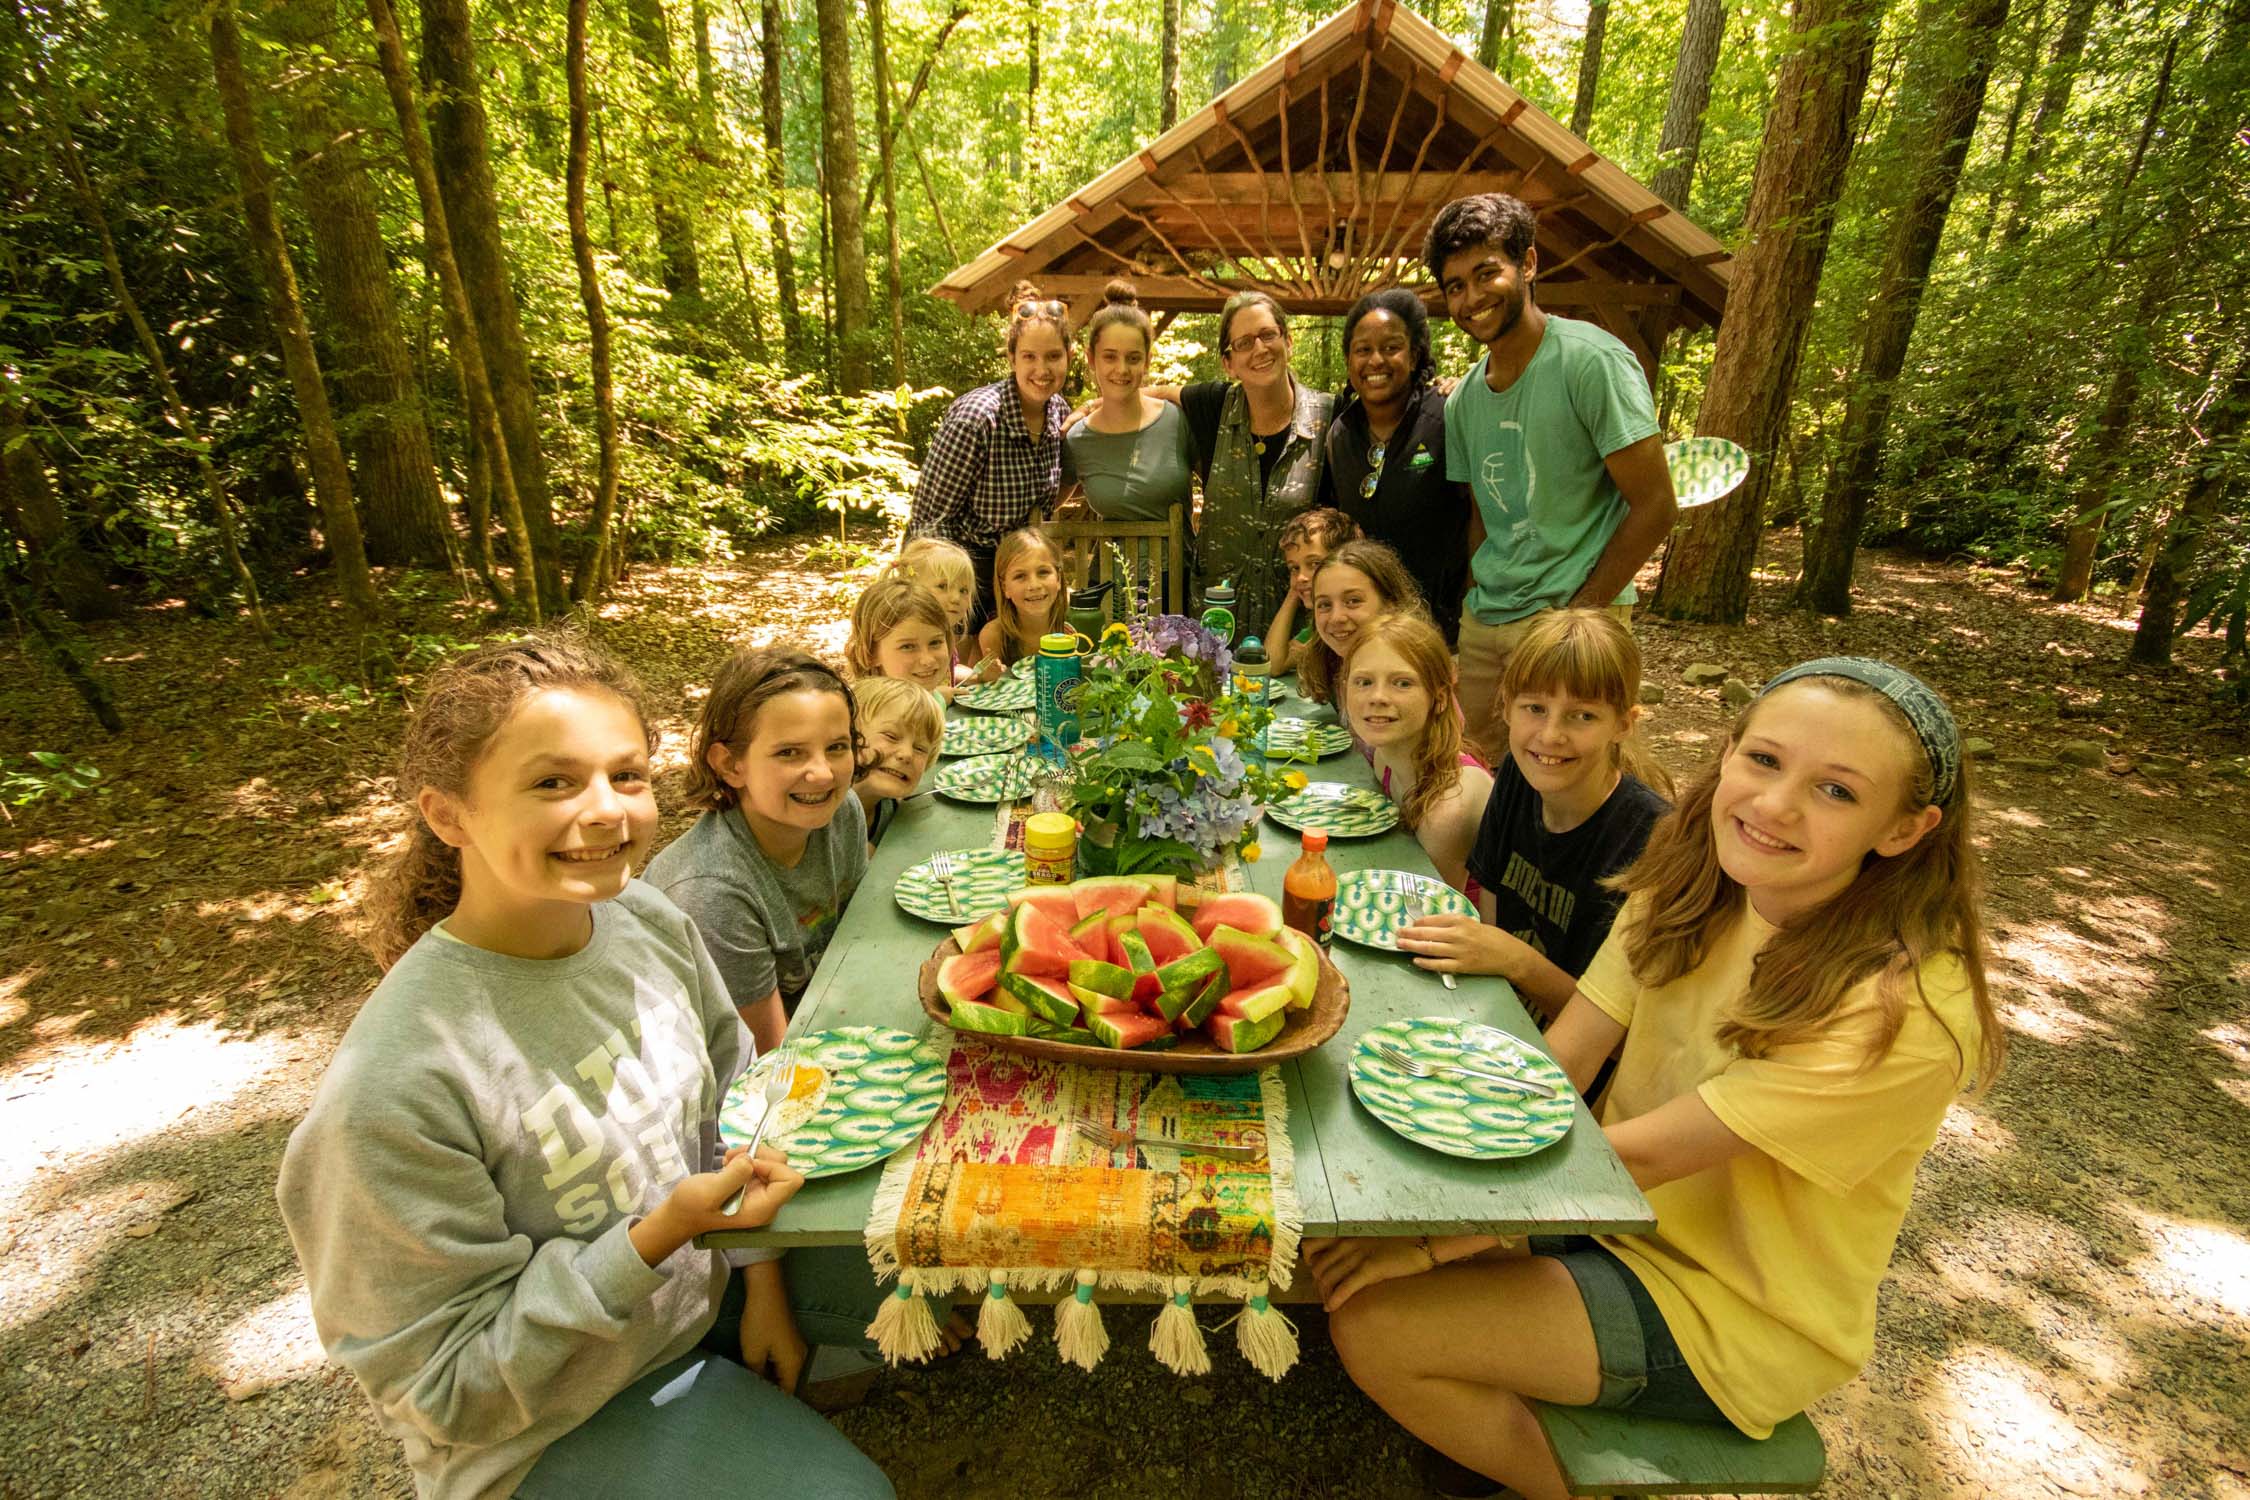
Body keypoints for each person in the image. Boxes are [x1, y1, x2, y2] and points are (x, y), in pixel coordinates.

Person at [1307, 658, 2001, 1500]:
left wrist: (1435, 1238)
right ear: (1729, 752)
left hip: (1726, 1305)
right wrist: (1426, 1167)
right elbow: (1562, 1064)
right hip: (1611, 1220)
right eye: (1765, 761)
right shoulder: (1688, 883)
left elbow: (1633, 1163)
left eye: (1838, 792)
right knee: (1337, 1237)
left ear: (1904, 828)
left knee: (1376, 1328)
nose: (1774, 806)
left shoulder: (1907, 1012)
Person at [276, 629, 896, 1500]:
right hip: (546, 1420)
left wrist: (759, 1282)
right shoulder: (396, 1090)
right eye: (552, 783)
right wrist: (656, 1237)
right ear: (448, 814)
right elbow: (449, 1395)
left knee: (930, 1269)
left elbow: (734, 1100)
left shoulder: (645, 920)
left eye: (626, 774)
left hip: (694, 1295)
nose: (606, 810)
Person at [1425, 193, 1679, 763]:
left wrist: (1580, 615)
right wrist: (1472, 599)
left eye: (1486, 272)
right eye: (1455, 285)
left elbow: (1656, 504)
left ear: (1529, 264)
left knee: (1575, 778)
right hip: (1489, 619)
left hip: (1574, 615)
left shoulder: (1590, 362)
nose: (1472, 297)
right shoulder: (1465, 399)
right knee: (1474, 773)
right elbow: (1481, 516)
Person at [1394, 608, 1672, 1022]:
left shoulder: (1649, 839)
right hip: (1496, 1014)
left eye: (1583, 716)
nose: (1550, 736)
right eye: (1535, 708)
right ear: (1505, 707)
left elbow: (1623, 1035)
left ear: (1623, 724)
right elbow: (1491, 909)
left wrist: (1516, 961)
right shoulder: (1516, 778)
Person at [644, 648, 867, 1053]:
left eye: (837, 747)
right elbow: (767, 1059)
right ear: (730, 765)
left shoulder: (839, 811)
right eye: (789, 752)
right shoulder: (712, 892)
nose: (822, 772)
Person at [905, 281, 1072, 630]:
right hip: (961, 575)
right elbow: (928, 522)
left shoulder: (1059, 412)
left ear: (1068, 357)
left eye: (1053, 356)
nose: (1042, 369)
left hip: (1020, 580)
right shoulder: (978, 417)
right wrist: (940, 601)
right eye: (1029, 356)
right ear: (1012, 357)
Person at [1326, 287, 1474, 646]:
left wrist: (1471, 613)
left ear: (1415, 355)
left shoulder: (1446, 419)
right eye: (1363, 350)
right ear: (1349, 360)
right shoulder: (1341, 435)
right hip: (1366, 636)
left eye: (1391, 348)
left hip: (1443, 634)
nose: (1375, 360)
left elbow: (1480, 521)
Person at [1339, 612, 1493, 896]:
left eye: (1402, 683)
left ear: (1440, 697)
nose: (1378, 697)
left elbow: (1426, 910)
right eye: (1363, 682)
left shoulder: (1449, 807)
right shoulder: (1384, 756)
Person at [1059, 280, 1195, 525]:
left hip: (1180, 563)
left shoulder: (1177, 422)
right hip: (1109, 563)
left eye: (1133, 358)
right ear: (1091, 359)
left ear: (1147, 360)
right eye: (1110, 357)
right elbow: (1045, 502)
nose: (1121, 369)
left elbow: (1221, 490)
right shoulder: (1077, 439)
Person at [1298, 538, 1431, 708]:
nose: (1336, 617)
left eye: (1353, 601)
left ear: (1390, 605)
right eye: (1324, 605)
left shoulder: (1412, 673)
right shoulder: (1330, 662)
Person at [849, 674, 942, 853]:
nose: (906, 754)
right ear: (850, 735)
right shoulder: (823, 816)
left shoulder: (889, 805)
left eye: (920, 749)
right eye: (891, 736)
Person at [1266, 506, 1360, 676]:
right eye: (1294, 567)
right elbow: (1272, 665)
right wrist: (1295, 590)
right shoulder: (1322, 623)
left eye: (1315, 564)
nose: (1301, 576)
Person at [845, 574, 956, 706]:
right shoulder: (876, 719)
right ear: (871, 653)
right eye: (907, 646)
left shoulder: (928, 699)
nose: (928, 660)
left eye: (935, 642)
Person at [974, 525, 1071, 671]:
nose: (1034, 585)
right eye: (1020, 576)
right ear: (1004, 587)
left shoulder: (1075, 623)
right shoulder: (995, 636)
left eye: (1043, 572)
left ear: (1058, 578)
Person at [892, 536, 978, 679]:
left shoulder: (945, 634)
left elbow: (948, 671)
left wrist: (977, 676)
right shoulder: (906, 637)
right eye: (942, 586)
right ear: (911, 587)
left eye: (963, 590)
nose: (956, 598)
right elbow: (902, 686)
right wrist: (935, 695)